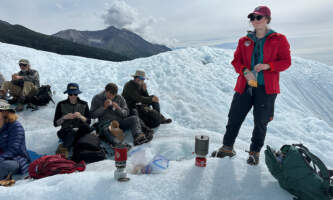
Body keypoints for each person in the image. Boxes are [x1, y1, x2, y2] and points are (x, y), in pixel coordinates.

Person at [212, 6, 291, 165]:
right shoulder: (244, 41)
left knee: (260, 121)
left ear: (267, 19)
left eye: (258, 17)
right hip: (245, 85)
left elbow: (286, 62)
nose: (254, 20)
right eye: (252, 17)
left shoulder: (279, 39)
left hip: (266, 88)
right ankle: (227, 147)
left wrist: (268, 66)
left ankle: (254, 152)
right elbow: (236, 61)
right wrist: (244, 70)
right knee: (234, 116)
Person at [53, 83, 91, 158]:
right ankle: (64, 152)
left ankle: (69, 151)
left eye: (75, 94)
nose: (73, 96)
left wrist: (80, 116)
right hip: (66, 131)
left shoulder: (84, 104)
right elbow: (55, 123)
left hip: (80, 131)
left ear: (78, 94)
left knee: (86, 128)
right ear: (68, 94)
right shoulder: (61, 104)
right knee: (71, 133)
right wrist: (64, 117)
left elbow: (88, 122)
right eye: (71, 94)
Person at [0, 100, 31, 181]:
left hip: (15, 160)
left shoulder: (15, 127)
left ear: (5, 113)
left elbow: (13, 150)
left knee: (4, 166)